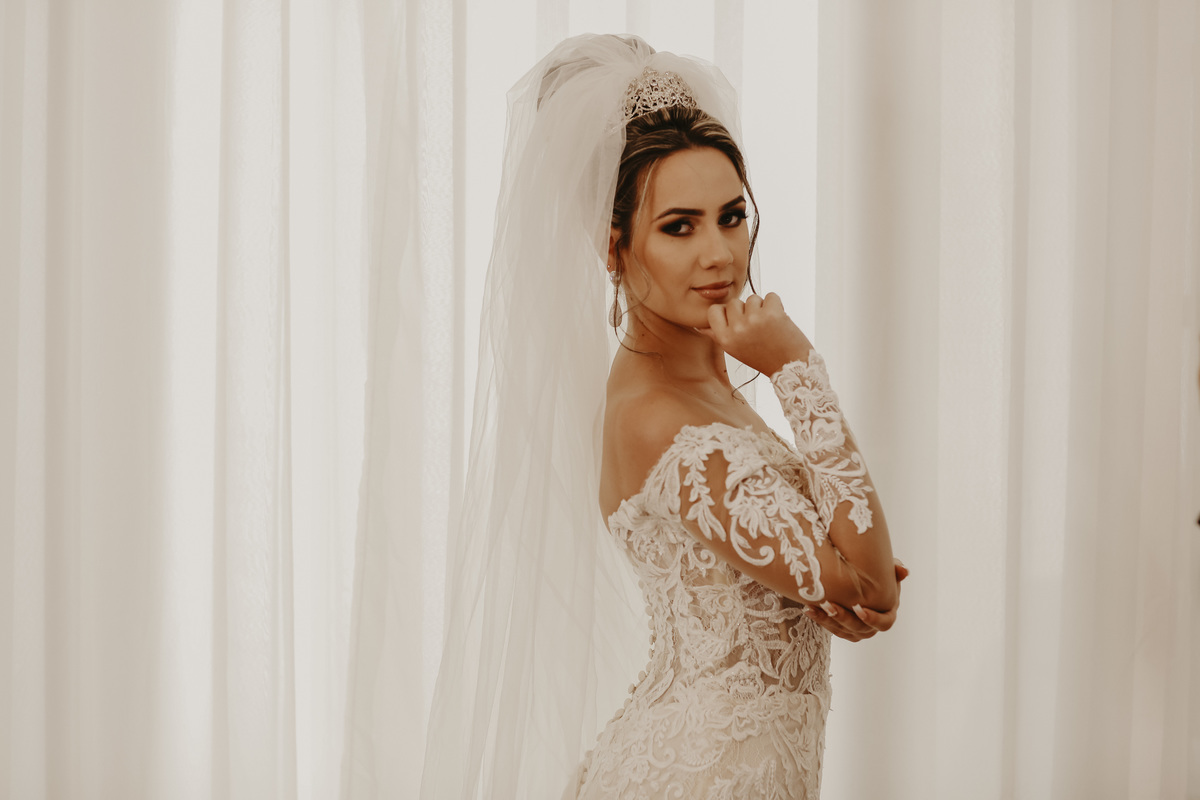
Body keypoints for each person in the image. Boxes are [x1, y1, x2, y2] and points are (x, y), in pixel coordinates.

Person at [419, 34, 904, 800]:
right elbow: (871, 584)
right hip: (699, 777)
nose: (720, 254)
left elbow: (856, 570)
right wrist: (796, 367)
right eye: (679, 226)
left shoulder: (704, 382)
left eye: (731, 216)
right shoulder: (655, 415)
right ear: (614, 248)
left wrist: (842, 562)